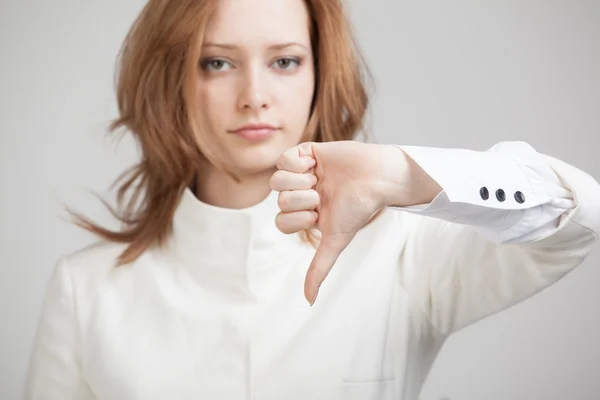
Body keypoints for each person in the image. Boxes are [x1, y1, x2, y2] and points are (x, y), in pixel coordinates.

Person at [24, 0, 600, 399]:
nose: (255, 96)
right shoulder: (86, 291)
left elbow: (578, 215)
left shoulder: (399, 251)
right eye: (217, 62)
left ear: (318, 74)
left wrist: (404, 172)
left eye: (284, 61)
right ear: (170, 78)